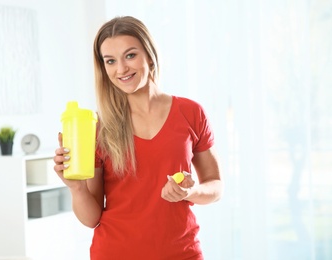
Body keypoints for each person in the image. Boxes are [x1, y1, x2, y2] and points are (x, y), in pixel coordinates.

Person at [53, 16, 223, 260]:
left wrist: (191, 191)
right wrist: (77, 187)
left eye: (130, 55)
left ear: (150, 55)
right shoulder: (99, 127)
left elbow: (216, 185)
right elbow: (92, 219)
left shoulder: (191, 112)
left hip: (181, 253)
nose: (121, 69)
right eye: (110, 61)